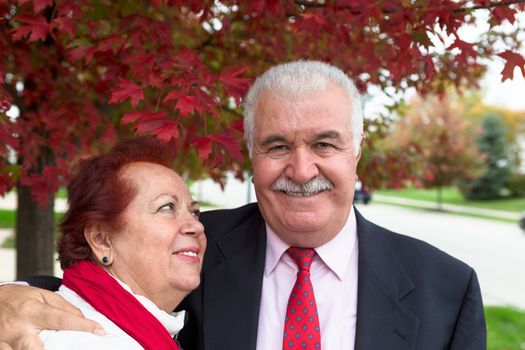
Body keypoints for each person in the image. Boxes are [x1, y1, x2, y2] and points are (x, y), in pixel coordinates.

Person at [0, 61, 485, 350]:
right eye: (277, 147)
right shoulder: (192, 251)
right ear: (251, 154)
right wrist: (9, 297)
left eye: (324, 145)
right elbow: (98, 287)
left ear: (357, 148)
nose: (300, 170)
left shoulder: (445, 288)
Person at [10, 137, 206, 349]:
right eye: (166, 207)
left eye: (194, 212)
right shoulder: (84, 340)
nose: (197, 226)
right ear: (101, 241)